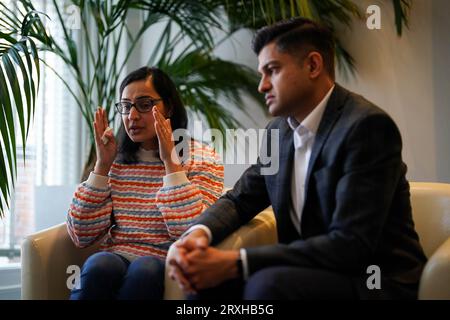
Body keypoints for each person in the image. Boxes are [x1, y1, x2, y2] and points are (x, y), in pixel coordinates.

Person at [168, 18, 427, 300]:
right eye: (261, 73)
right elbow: (240, 198)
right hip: (306, 273)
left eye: (272, 70)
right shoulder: (278, 132)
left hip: (374, 281)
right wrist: (198, 233)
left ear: (313, 65)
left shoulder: (366, 128)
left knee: (265, 286)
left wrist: (236, 262)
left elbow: (351, 244)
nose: (262, 86)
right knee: (202, 286)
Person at [67, 66, 224, 300]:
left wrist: (171, 160)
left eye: (144, 104)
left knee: (145, 270)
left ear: (168, 107)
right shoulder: (114, 158)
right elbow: (81, 234)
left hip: (168, 260)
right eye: (126, 106)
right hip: (117, 256)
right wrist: (101, 167)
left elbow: (190, 230)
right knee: (99, 264)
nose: (132, 116)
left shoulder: (201, 157)